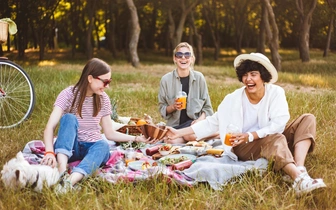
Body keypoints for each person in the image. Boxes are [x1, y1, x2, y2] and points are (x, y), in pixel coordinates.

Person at [166, 52, 326, 196]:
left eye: (253, 74)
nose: (248, 79)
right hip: (242, 146)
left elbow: (279, 123)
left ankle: (299, 169)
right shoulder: (233, 99)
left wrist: (251, 135)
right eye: (245, 75)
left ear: (263, 76)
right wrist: (178, 133)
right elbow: (212, 123)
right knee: (275, 138)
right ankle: (298, 178)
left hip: (268, 139)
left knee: (308, 118)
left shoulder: (276, 93)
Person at [41, 58, 149, 193]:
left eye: (109, 82)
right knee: (69, 118)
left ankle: (70, 181)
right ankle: (62, 172)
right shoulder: (68, 94)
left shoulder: (103, 99)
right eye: (105, 82)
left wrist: (137, 139)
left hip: (92, 147)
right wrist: (50, 152)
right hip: (70, 148)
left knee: (103, 145)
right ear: (90, 78)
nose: (107, 86)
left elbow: (109, 133)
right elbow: (49, 127)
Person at [158, 42, 217, 143]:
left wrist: (199, 121)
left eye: (187, 55)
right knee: (169, 141)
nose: (183, 58)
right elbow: (162, 109)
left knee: (190, 136)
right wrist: (173, 107)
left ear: (192, 58)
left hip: (194, 125)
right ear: (174, 58)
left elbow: (207, 108)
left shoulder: (199, 78)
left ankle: (218, 134)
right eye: (179, 55)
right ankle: (202, 136)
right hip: (176, 126)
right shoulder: (165, 80)